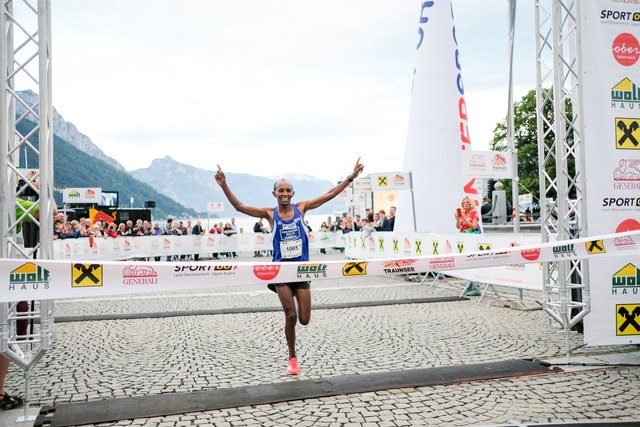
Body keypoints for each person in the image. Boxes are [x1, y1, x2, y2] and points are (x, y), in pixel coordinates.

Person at [215, 158, 364, 375]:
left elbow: (329, 194)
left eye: (288, 190)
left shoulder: (302, 208)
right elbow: (240, 207)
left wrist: (351, 177)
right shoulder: (269, 214)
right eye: (280, 190)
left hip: (301, 270)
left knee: (304, 319)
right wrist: (224, 185)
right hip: (280, 272)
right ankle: (292, 358)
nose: (284, 193)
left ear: (293, 193)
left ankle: (296, 306)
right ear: (274, 193)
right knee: (291, 316)